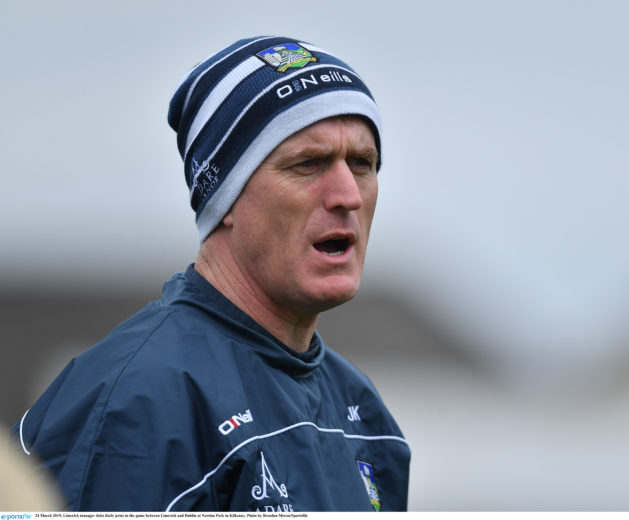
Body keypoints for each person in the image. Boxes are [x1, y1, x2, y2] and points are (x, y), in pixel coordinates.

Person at [12, 36, 410, 512]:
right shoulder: (138, 401)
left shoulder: (364, 412)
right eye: (309, 164)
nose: (348, 194)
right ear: (225, 197)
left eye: (362, 164)